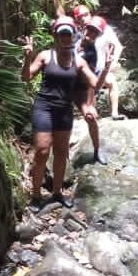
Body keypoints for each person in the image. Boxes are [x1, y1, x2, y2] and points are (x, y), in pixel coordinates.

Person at [22, 16, 113, 210]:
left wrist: (106, 68)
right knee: (42, 152)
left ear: (73, 37)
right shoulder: (46, 56)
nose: (65, 38)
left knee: (62, 152)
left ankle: (56, 193)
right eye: (62, 34)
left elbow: (95, 84)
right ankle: (36, 195)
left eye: (68, 35)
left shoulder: (79, 62)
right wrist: (28, 58)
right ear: (55, 35)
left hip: (64, 109)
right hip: (44, 107)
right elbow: (27, 77)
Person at [70, 3, 124, 120]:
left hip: (100, 69)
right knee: (88, 88)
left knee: (112, 83)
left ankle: (114, 113)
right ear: (76, 19)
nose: (84, 18)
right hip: (81, 70)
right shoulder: (77, 32)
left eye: (86, 15)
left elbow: (118, 46)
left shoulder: (103, 28)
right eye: (80, 17)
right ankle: (89, 114)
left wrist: (111, 64)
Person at [75, 15, 109, 165]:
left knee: (90, 117)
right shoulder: (72, 38)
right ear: (85, 28)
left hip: (81, 89)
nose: (91, 33)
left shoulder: (92, 54)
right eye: (90, 29)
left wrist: (89, 104)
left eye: (95, 32)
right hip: (63, 84)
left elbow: (90, 82)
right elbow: (60, 14)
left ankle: (96, 150)